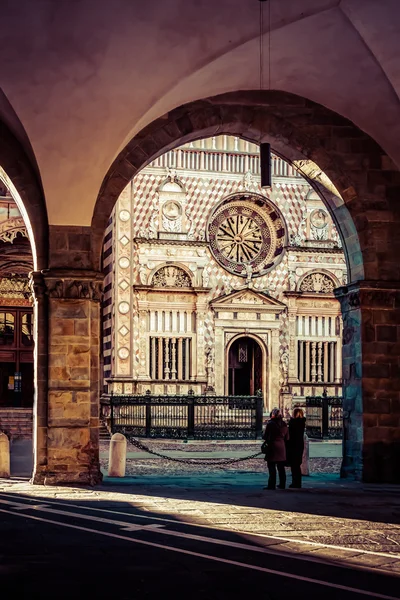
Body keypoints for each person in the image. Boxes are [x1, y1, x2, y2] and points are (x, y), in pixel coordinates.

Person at [262, 408, 289, 490]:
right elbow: (287, 437)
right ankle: (282, 484)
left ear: (272, 414)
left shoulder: (270, 423)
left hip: (273, 446)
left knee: (271, 467)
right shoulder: (284, 424)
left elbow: (265, 436)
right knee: (281, 467)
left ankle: (271, 484)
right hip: (281, 447)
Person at [287, 407, 306, 488]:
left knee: (294, 465)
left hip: (293, 445)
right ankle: (297, 482)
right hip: (299, 444)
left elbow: (290, 433)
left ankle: (295, 482)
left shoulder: (294, 423)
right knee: (297, 465)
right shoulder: (302, 422)